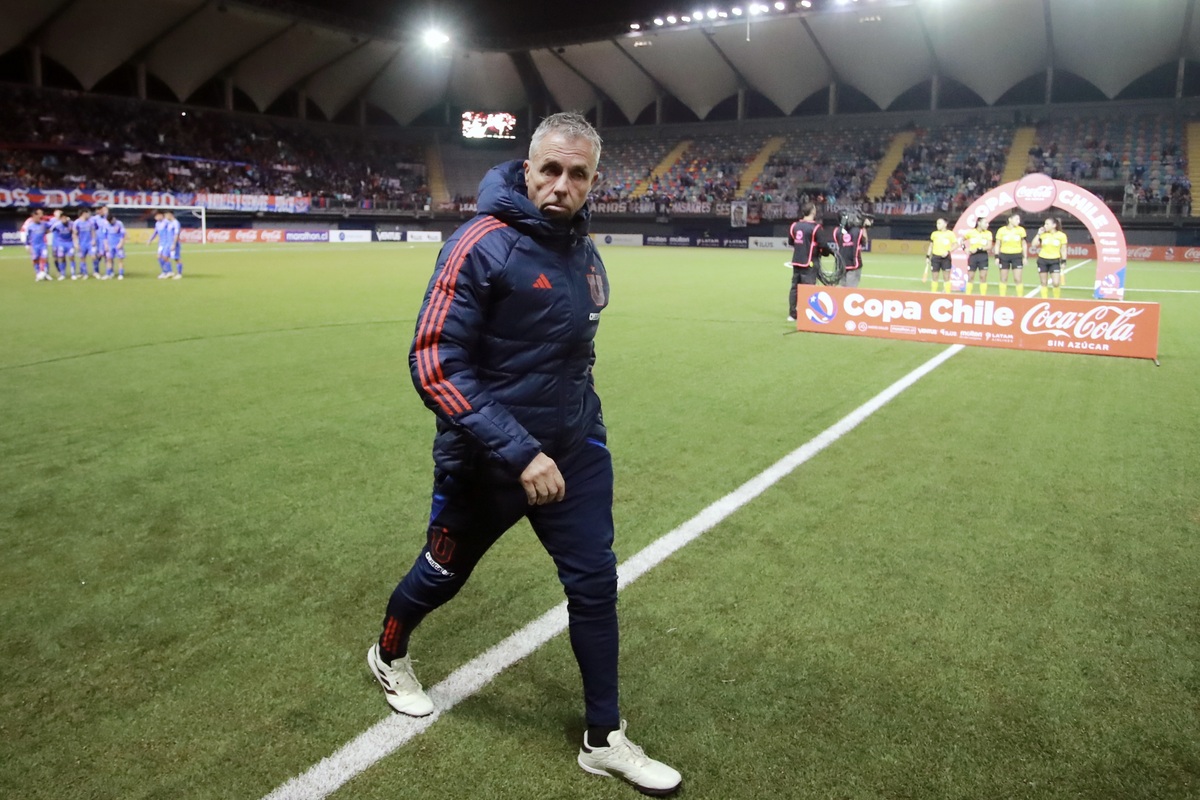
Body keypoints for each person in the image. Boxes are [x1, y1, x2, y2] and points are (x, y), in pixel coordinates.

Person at [367, 112, 681, 797]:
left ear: (594, 181)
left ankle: (605, 739)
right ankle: (389, 652)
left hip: (575, 453)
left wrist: (581, 431)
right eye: (551, 169)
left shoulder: (584, 252)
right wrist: (520, 451)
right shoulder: (479, 243)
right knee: (442, 574)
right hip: (488, 463)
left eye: (578, 174)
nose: (562, 185)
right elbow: (434, 362)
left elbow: (574, 356)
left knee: (594, 585)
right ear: (527, 167)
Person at [787, 202, 822, 320]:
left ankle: (792, 314)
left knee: (795, 288)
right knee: (809, 288)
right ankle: (808, 315)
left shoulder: (794, 226)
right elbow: (823, 245)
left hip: (797, 261)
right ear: (813, 211)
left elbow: (791, 242)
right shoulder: (816, 227)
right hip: (809, 262)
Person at [1031, 217, 1068, 299]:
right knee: (1043, 282)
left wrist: (1064, 261)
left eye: (1047, 224)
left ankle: (1056, 300)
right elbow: (1034, 244)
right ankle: (1044, 300)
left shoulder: (1061, 235)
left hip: (1054, 261)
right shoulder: (1043, 235)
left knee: (1056, 283)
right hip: (1042, 260)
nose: (1045, 225)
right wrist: (1038, 234)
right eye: (1045, 224)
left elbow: (1063, 249)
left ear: (1054, 225)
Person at [993, 212, 1027, 297]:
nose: (1018, 221)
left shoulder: (1021, 230)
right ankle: (1002, 297)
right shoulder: (1001, 230)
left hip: (1017, 256)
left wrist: (1025, 257)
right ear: (1010, 220)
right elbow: (997, 244)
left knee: (1017, 279)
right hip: (1004, 256)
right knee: (1003, 278)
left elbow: (1024, 244)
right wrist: (996, 256)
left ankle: (1020, 298)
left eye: (1019, 219)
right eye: (1016, 219)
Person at [835, 212, 871, 288]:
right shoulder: (857, 231)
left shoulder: (837, 231)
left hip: (842, 263)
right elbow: (864, 242)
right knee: (851, 289)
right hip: (854, 263)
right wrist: (863, 227)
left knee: (842, 287)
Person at [963, 213, 992, 295]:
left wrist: (978, 249)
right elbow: (961, 240)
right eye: (985, 223)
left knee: (983, 277)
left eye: (987, 223)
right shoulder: (971, 232)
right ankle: (968, 295)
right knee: (970, 277)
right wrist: (965, 249)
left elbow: (989, 246)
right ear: (979, 223)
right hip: (973, 257)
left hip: (983, 256)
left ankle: (983, 296)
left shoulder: (988, 233)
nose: (987, 225)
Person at [925, 217, 957, 292]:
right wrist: (927, 256)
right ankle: (933, 293)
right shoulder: (934, 234)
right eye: (937, 223)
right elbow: (931, 246)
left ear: (945, 224)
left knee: (946, 277)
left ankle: (947, 293)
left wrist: (948, 251)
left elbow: (955, 244)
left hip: (946, 258)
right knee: (934, 277)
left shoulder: (950, 234)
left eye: (939, 223)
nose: (937, 225)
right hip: (935, 257)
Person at [24, 208, 50, 282]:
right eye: (35, 217)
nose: (37, 218)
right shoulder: (30, 226)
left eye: (38, 216)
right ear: (33, 217)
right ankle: (38, 274)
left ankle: (44, 273)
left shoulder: (43, 224)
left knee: (44, 258)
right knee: (35, 260)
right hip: (34, 245)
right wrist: (27, 245)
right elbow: (27, 236)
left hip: (42, 244)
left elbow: (50, 228)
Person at [72, 208, 98, 280]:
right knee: (82, 258)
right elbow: (75, 233)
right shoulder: (77, 222)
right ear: (84, 214)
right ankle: (85, 273)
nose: (89, 215)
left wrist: (93, 240)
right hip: (81, 243)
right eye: (88, 213)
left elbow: (93, 231)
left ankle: (95, 272)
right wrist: (76, 243)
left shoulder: (90, 222)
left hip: (90, 243)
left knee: (93, 256)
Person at [49, 210, 74, 281]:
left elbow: (74, 230)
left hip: (67, 243)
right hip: (56, 243)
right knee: (56, 258)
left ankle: (70, 273)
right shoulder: (53, 222)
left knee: (69, 257)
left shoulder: (70, 222)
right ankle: (60, 271)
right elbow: (49, 229)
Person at [104, 214, 126, 279]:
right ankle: (108, 274)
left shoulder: (119, 224)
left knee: (120, 260)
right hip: (110, 245)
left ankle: (121, 274)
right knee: (109, 259)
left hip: (118, 245)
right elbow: (105, 236)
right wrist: (106, 245)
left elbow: (122, 235)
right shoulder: (106, 225)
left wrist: (121, 243)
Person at [164, 210, 184, 278]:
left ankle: (179, 274)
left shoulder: (176, 223)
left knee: (176, 258)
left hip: (174, 244)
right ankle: (170, 272)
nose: (165, 217)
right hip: (168, 243)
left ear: (170, 215)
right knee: (164, 256)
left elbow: (176, 234)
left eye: (166, 215)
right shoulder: (169, 223)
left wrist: (174, 244)